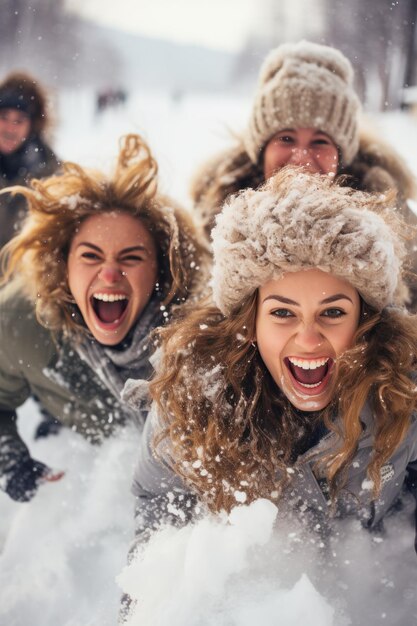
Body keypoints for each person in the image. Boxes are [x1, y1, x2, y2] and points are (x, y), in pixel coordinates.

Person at [126, 168, 417, 552]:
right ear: (249, 324)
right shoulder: (191, 397)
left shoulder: (403, 390)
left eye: (332, 313)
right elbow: (158, 507)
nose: (309, 338)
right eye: (282, 313)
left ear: (364, 322)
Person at [0, 133, 208, 503]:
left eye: (131, 257)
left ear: (162, 272)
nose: (110, 276)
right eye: (91, 256)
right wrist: (10, 459)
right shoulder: (20, 324)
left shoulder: (199, 338)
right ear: (63, 267)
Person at [191, 40, 417, 309]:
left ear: (341, 156)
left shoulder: (392, 224)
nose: (301, 157)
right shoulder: (212, 219)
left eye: (320, 142)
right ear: (261, 151)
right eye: (286, 138)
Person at [0, 71, 60, 251]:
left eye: (19, 121)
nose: (9, 128)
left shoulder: (52, 175)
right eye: (3, 117)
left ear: (32, 126)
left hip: (22, 276)